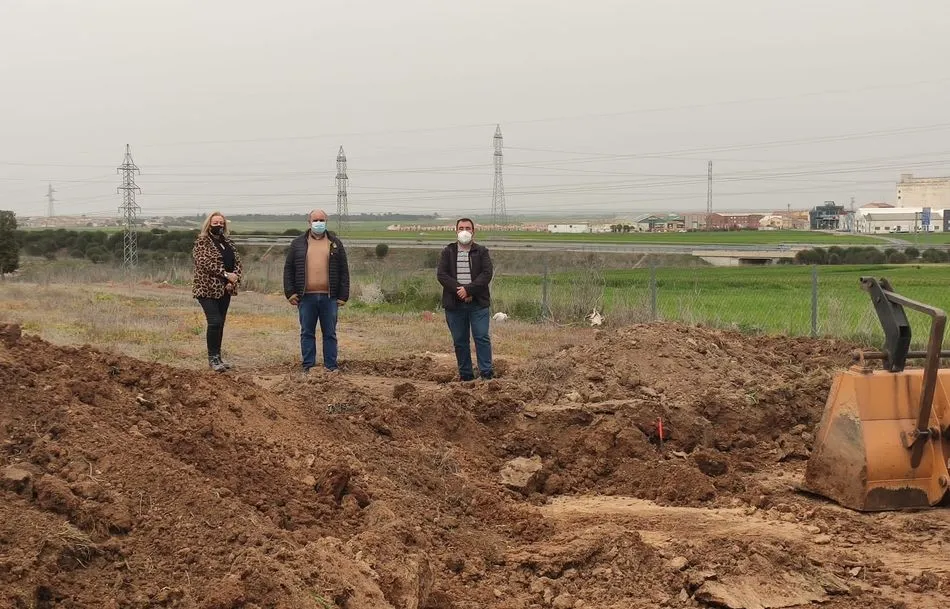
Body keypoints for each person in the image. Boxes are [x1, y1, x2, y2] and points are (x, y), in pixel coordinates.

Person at [283, 209, 350, 373]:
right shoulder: (298, 243)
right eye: (315, 220)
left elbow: (344, 271)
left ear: (326, 222)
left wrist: (343, 295)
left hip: (330, 298)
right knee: (307, 332)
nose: (318, 223)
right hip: (306, 298)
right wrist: (290, 292)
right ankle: (308, 367)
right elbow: (288, 269)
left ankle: (331, 367)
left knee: (330, 333)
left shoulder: (335, 243)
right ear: (309, 222)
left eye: (321, 220)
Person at [437, 217, 494, 381]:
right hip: (454, 305)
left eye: (468, 228)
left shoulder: (482, 251)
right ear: (456, 231)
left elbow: (486, 274)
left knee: (482, 337)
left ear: (473, 231)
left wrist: (469, 290)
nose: (464, 231)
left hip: (478, 304)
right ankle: (466, 376)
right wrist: (458, 290)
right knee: (460, 342)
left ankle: (486, 373)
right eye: (461, 227)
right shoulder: (448, 251)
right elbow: (442, 275)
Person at [192, 211, 242, 372]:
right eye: (215, 223)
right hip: (207, 289)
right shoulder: (202, 242)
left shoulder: (228, 242)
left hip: (225, 289)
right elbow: (204, 263)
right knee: (214, 322)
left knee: (220, 323)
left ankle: (218, 357)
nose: (219, 225)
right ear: (209, 224)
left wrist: (232, 280)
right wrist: (225, 274)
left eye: (221, 223)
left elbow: (238, 263)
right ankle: (212, 358)